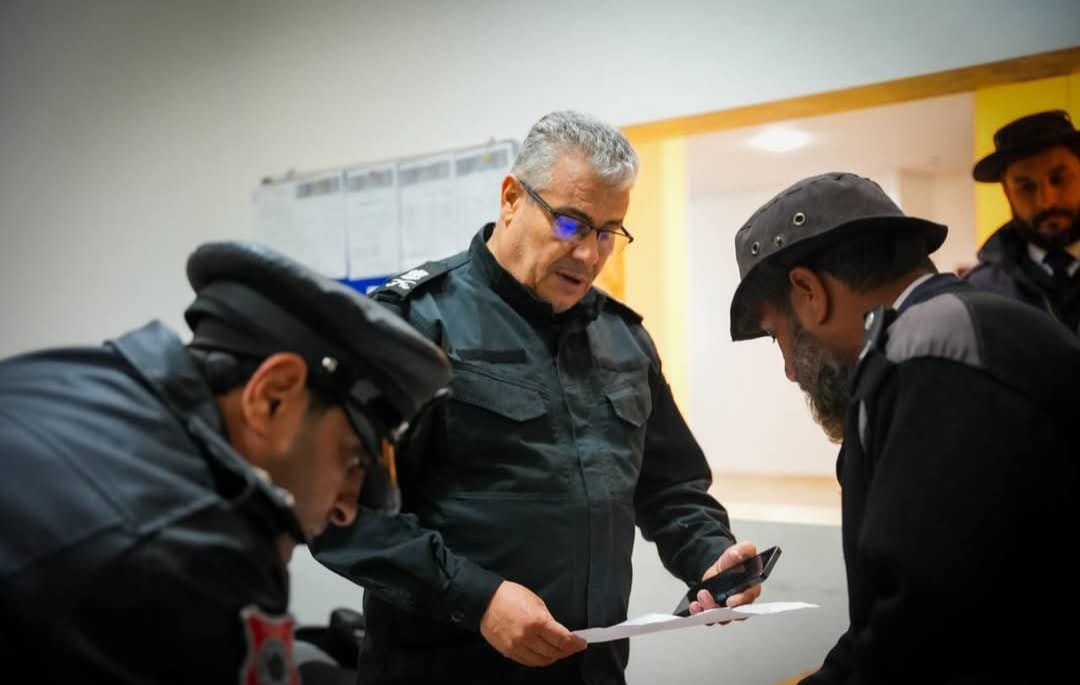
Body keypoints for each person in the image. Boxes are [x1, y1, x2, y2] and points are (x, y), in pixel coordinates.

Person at [312, 110, 760, 684]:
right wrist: (478, 599)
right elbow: (338, 512)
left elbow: (671, 488)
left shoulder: (624, 339)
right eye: (571, 224)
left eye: (607, 233)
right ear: (510, 198)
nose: (589, 255)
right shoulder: (413, 325)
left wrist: (710, 554)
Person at [0, 241, 451, 683]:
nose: (346, 510)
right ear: (272, 396)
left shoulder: (70, 377)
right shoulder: (189, 552)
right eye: (353, 460)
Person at [728, 172, 1079, 683]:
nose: (789, 369)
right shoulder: (967, 328)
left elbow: (921, 622)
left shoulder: (929, 352)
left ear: (808, 292)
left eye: (774, 334)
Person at [964, 109, 1080, 334]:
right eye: (1026, 187)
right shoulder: (980, 293)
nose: (1046, 202)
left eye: (1058, 179)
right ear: (1007, 192)